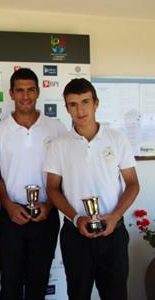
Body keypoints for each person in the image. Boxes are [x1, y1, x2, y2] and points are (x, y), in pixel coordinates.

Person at [44, 78, 140, 300]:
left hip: (113, 232)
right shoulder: (59, 145)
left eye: (85, 101)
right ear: (67, 108)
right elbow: (52, 189)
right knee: (78, 295)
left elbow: (133, 184)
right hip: (75, 234)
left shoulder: (117, 139)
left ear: (96, 103)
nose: (80, 109)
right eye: (73, 104)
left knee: (116, 295)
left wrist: (115, 217)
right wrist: (77, 218)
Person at [0, 68, 66, 300]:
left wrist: (50, 205)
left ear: (38, 92)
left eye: (30, 89)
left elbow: (64, 175)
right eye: (19, 90)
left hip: (46, 216)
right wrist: (9, 206)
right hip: (11, 217)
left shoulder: (57, 128)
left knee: (38, 284)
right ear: (11, 94)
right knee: (9, 284)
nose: (25, 96)